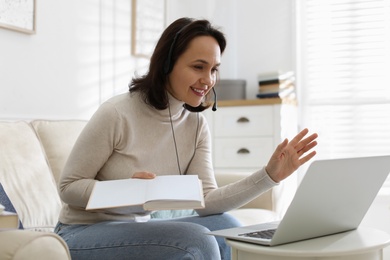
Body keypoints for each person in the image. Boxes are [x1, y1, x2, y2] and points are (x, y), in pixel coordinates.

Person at [55, 17, 318, 260]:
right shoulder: (116, 113)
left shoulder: (196, 126)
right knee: (196, 239)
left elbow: (206, 202)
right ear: (167, 64)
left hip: (136, 229)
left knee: (227, 227)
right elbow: (68, 188)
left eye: (214, 69)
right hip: (81, 233)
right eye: (198, 67)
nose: (208, 80)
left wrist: (269, 175)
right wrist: (127, 192)